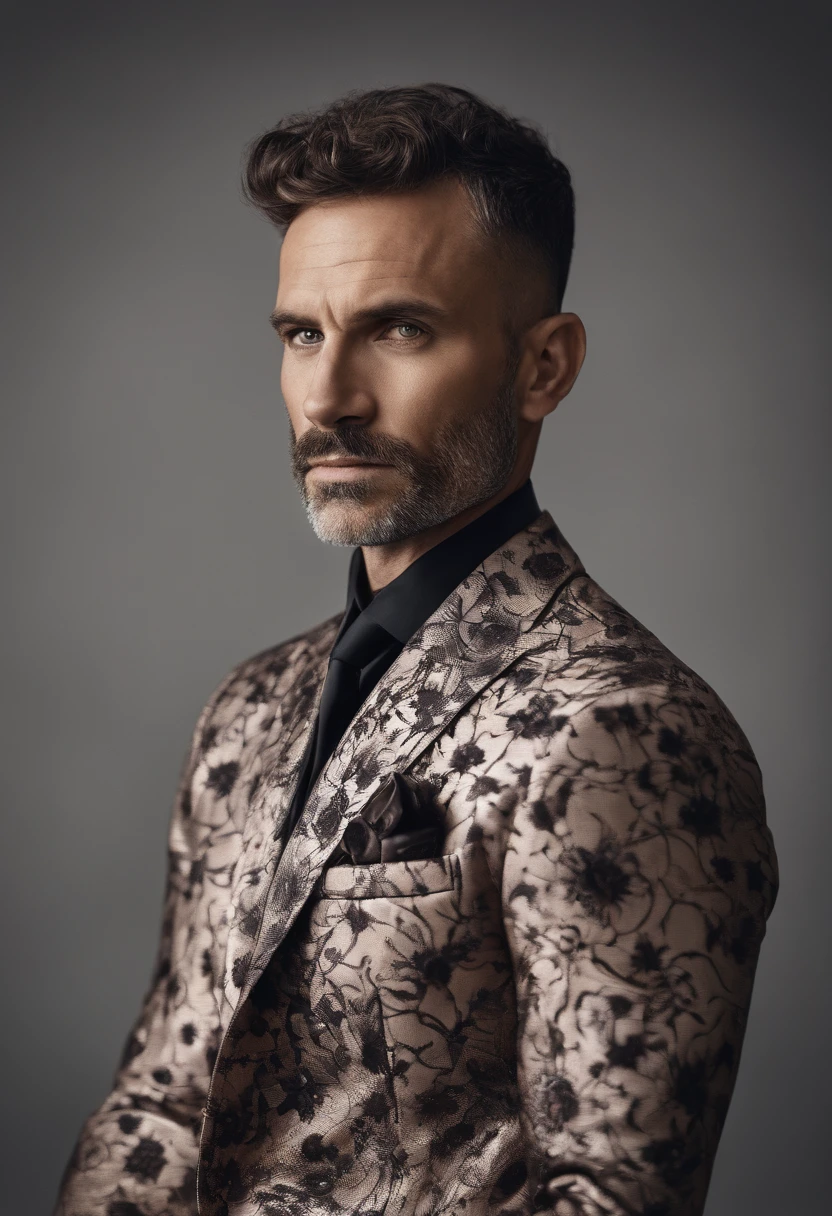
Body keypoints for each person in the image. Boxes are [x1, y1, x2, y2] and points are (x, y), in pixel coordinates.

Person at [55, 84, 778, 1216]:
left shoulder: (626, 726)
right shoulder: (248, 708)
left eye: (401, 329)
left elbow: (608, 1198)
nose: (329, 398)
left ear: (543, 367)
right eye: (302, 334)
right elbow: (157, 1107)